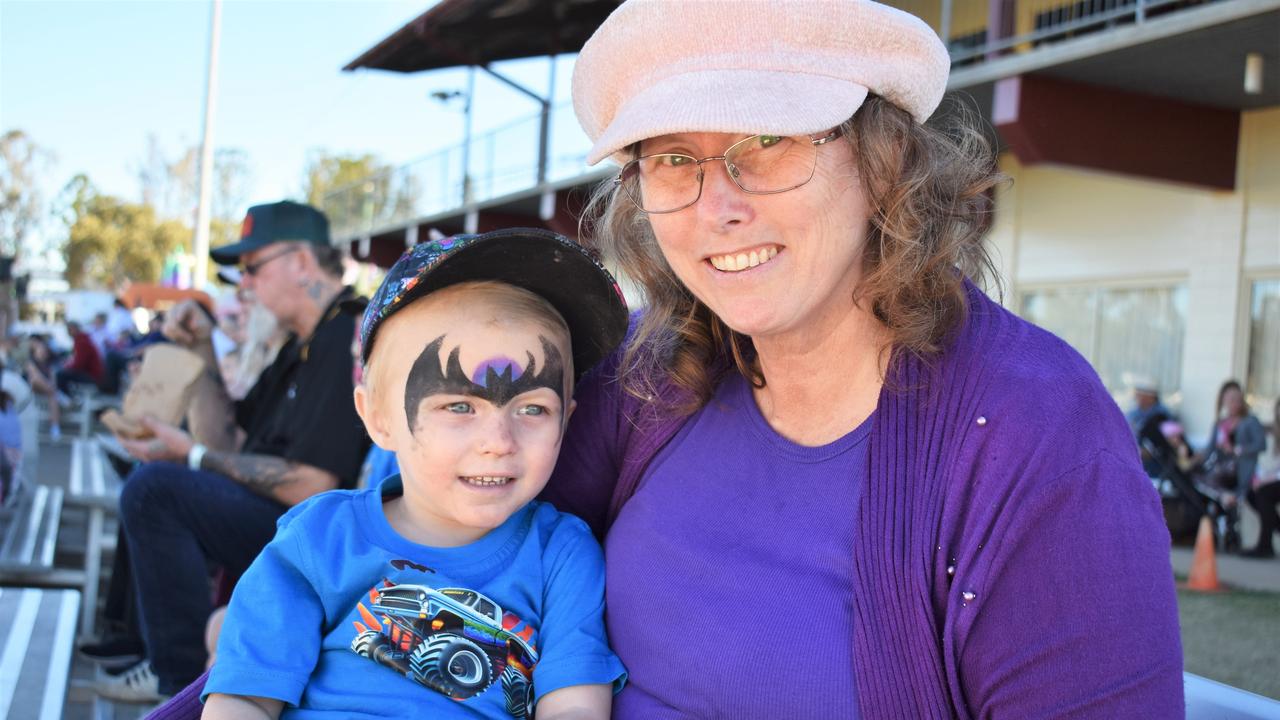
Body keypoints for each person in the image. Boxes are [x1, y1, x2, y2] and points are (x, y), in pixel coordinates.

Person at [543, 1, 1181, 717]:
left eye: (767, 138)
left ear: (882, 160)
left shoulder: (1037, 433)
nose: (715, 206)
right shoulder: (647, 373)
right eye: (672, 159)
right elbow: (471, 557)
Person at [202, 228, 629, 719]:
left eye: (533, 409)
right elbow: (244, 698)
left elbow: (574, 706)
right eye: (459, 406)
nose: (499, 442)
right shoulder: (319, 538)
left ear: (567, 420)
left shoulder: (561, 554)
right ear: (378, 417)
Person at [92, 200, 370, 703]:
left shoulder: (345, 335)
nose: (243, 284)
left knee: (156, 490)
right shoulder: (299, 344)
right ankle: (149, 653)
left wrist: (192, 456)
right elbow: (232, 443)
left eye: (252, 268)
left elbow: (312, 482)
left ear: (302, 263)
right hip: (282, 521)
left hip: (319, 537)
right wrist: (199, 355)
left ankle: (181, 687)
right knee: (152, 476)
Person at [1203, 379, 1266, 507]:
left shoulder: (1250, 421)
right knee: (1196, 478)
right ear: (1223, 401)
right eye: (1231, 399)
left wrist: (1238, 449)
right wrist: (1191, 459)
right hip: (1222, 466)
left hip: (1241, 469)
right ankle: (1224, 497)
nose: (1235, 403)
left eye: (1238, 399)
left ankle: (1228, 497)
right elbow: (1209, 450)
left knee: (1214, 477)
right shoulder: (1220, 423)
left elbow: (1261, 444)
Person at [1243, 398, 1280, 558]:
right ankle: (1269, 539)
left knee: (1264, 494)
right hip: (1274, 479)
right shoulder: (1273, 432)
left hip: (1275, 481)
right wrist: (1259, 478)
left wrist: (1265, 480)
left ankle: (1265, 546)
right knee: (1251, 494)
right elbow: (1271, 464)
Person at [56, 320, 105, 395]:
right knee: (62, 371)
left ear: (75, 329)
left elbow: (78, 364)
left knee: (60, 374)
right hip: (93, 374)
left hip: (92, 376)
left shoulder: (82, 341)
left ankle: (67, 400)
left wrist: (67, 366)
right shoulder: (82, 339)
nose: (68, 332)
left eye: (69, 330)